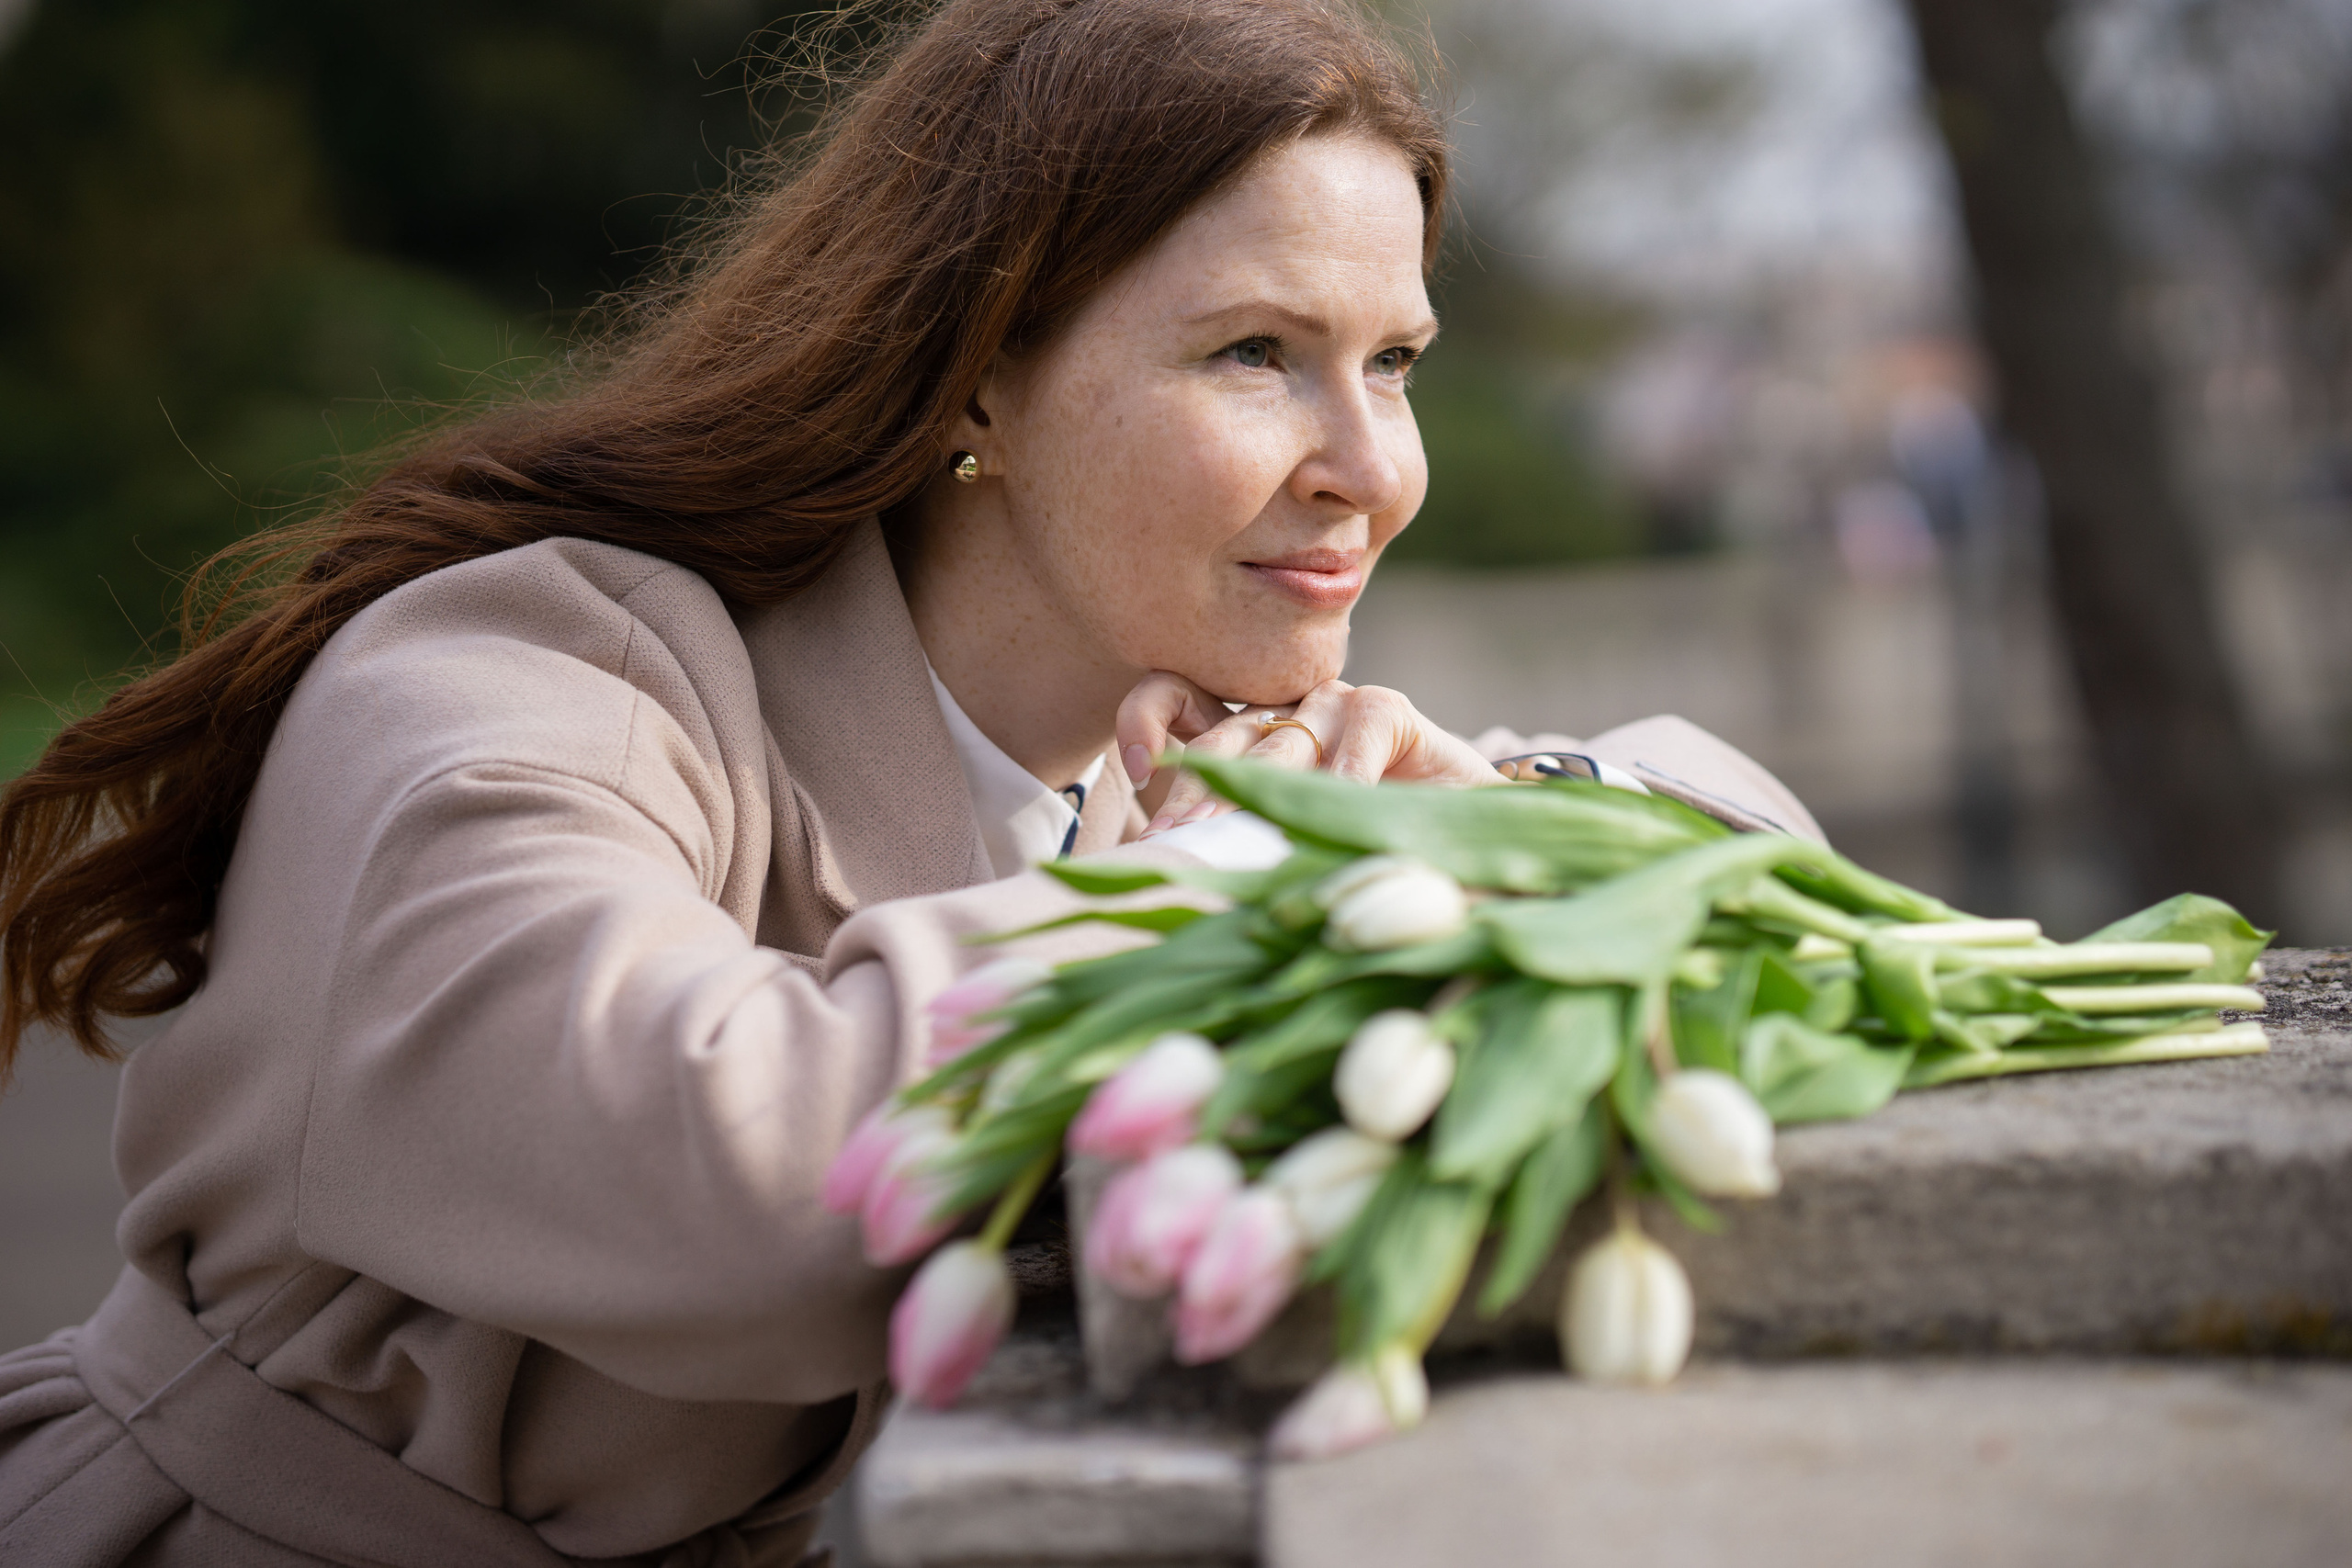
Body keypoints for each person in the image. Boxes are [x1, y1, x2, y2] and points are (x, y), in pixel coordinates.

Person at [0, 1, 1815, 1562]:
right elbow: (737, 1184)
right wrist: (1248, 891)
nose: (1370, 468)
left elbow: (1784, 873)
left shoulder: (1148, 770)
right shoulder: (533, 668)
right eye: (1255, 353)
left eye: (1392, 363)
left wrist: (1485, 817)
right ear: (976, 381)